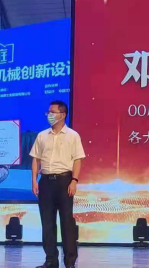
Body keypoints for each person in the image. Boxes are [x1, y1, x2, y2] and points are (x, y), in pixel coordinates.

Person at [30, 101, 85, 268]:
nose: (49, 115)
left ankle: (70, 261)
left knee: (66, 222)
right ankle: (51, 260)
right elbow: (36, 159)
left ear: (63, 114)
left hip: (64, 181)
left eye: (52, 112)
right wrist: (34, 180)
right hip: (45, 182)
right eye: (48, 112)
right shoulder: (42, 135)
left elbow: (78, 160)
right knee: (47, 222)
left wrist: (74, 180)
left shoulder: (73, 135)